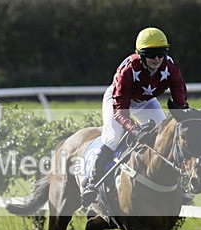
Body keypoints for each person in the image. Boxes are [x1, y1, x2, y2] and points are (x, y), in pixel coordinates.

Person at [80, 27, 189, 205]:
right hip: (119, 102)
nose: (157, 59)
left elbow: (178, 91)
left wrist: (183, 111)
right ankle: (92, 183)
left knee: (166, 137)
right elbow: (121, 109)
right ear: (140, 54)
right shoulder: (128, 70)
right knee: (113, 138)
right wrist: (133, 129)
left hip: (146, 101)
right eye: (151, 54)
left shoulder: (170, 66)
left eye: (161, 53)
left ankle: (178, 186)